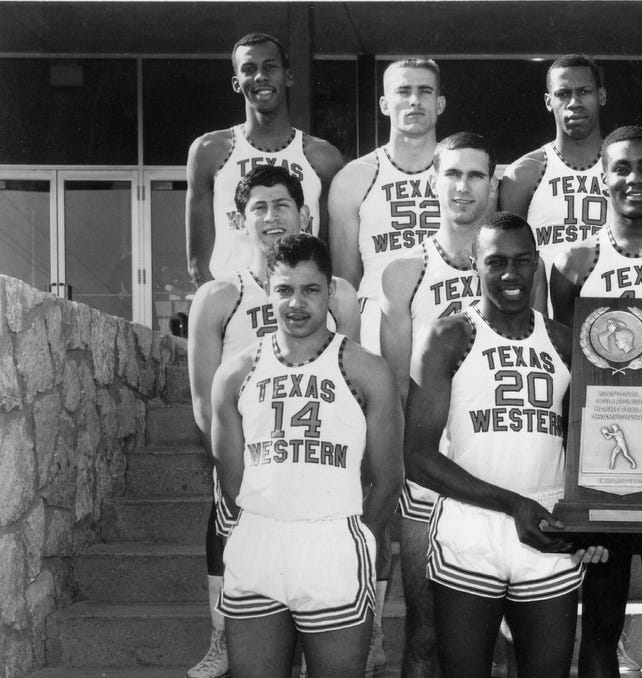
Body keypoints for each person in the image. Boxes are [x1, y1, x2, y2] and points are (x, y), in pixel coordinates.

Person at [404, 212, 608, 678]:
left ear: (537, 263)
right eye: (496, 262)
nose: (510, 275)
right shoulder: (446, 336)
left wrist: (592, 520)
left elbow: (588, 449)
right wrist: (511, 504)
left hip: (547, 524)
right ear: (474, 264)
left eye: (521, 261)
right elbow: (417, 457)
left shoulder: (563, 341)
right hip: (471, 525)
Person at [186, 166, 359, 678]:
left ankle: (338, 635)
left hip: (316, 449)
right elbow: (203, 399)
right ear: (242, 221)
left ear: (304, 213)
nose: (270, 216)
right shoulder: (220, 296)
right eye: (258, 207)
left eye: (281, 204)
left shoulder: (338, 293)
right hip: (250, 447)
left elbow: (351, 380)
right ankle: (222, 635)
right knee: (233, 538)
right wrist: (229, 454)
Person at [209, 233, 401, 677]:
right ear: (269, 292)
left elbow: (389, 478)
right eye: (284, 290)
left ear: (330, 291)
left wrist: (357, 538)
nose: (297, 303)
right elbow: (232, 479)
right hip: (259, 541)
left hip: (334, 542)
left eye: (310, 289)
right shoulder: (236, 372)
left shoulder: (366, 369)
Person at [550, 125, 642, 678]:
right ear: (603, 179)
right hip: (605, 459)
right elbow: (566, 362)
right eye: (620, 168)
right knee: (602, 621)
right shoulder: (575, 262)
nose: (633, 177)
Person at [375, 131, 521, 678]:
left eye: (476, 175)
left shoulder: (520, 268)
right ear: (433, 181)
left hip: (502, 463)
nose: (463, 187)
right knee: (424, 632)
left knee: (508, 637)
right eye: (453, 174)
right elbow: (393, 383)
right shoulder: (403, 272)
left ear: (493, 184)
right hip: (430, 472)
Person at [186, 32, 344, 286]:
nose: (260, 76)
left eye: (270, 67)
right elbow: (197, 260)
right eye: (249, 69)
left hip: (298, 306)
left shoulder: (323, 157)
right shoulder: (209, 151)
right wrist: (222, 312)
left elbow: (330, 254)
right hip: (233, 303)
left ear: (288, 76)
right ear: (237, 83)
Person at [329, 58, 445, 355]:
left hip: (448, 313)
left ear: (440, 104)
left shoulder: (462, 173)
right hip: (375, 318)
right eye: (403, 91)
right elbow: (346, 279)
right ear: (384, 104)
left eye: (425, 91)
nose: (414, 100)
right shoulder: (354, 178)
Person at [500, 54, 609, 293]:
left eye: (584, 92)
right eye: (563, 94)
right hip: (544, 316)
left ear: (601, 96)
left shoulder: (623, 167)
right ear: (549, 101)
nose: (574, 102)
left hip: (611, 306)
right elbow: (508, 257)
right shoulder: (524, 173)